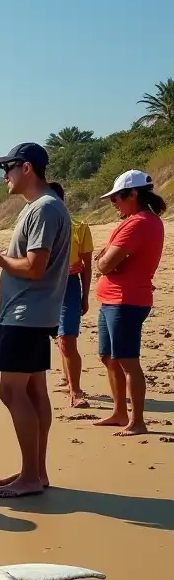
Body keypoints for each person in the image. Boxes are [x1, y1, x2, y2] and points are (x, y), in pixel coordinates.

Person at [0, 143, 71, 498]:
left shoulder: (43, 209)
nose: (4, 176)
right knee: (33, 391)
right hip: (34, 312)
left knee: (11, 391)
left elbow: (34, 267)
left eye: (8, 168)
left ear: (27, 168)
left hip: (24, 313)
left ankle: (31, 475)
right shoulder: (43, 207)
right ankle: (36, 471)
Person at [92, 169, 167, 436]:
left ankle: (137, 420)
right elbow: (107, 261)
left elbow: (104, 262)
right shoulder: (139, 220)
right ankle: (119, 412)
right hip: (113, 298)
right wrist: (106, 261)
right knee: (109, 356)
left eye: (117, 198)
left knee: (127, 359)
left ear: (133, 194)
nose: (114, 203)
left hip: (125, 300)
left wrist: (104, 262)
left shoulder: (139, 223)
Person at [48, 181, 94, 408]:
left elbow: (87, 264)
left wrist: (85, 296)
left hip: (69, 285)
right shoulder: (36, 225)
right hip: (44, 286)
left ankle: (76, 391)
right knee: (58, 337)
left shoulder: (79, 226)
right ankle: (67, 378)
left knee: (67, 338)